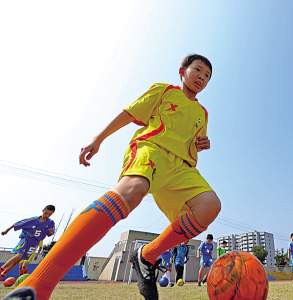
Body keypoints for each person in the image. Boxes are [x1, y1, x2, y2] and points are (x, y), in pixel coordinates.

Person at [5, 54, 221, 300]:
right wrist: (99, 138)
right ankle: (36, 285)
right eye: (198, 71)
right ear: (182, 71)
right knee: (132, 190)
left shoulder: (202, 114)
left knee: (210, 206)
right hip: (152, 150)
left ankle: (147, 255)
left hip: (181, 168)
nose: (201, 78)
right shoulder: (164, 91)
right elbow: (130, 113)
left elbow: (193, 145)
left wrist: (200, 143)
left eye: (207, 76)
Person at [0, 205, 55, 280]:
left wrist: (51, 232)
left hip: (34, 243)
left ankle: (2, 275)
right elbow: (19, 223)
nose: (47, 215)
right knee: (18, 256)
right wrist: (6, 230)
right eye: (46, 213)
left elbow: (50, 234)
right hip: (26, 238)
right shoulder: (34, 219)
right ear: (43, 211)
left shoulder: (50, 222)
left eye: (50, 214)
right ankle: (1, 270)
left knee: (18, 261)